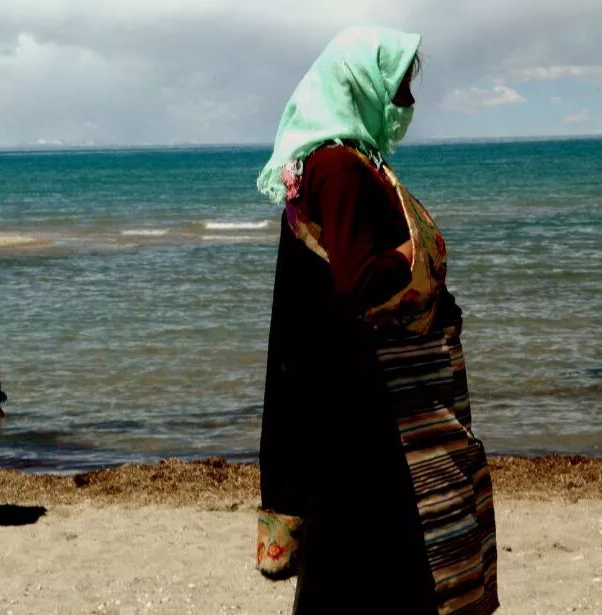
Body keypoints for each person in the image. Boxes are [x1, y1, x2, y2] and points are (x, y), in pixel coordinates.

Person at [255, 26, 499, 614]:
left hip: (343, 396)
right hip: (366, 404)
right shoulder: (340, 167)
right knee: (380, 557)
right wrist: (411, 257)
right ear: (360, 84)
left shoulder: (327, 162)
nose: (406, 103)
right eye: (398, 88)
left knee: (351, 561)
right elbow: (355, 280)